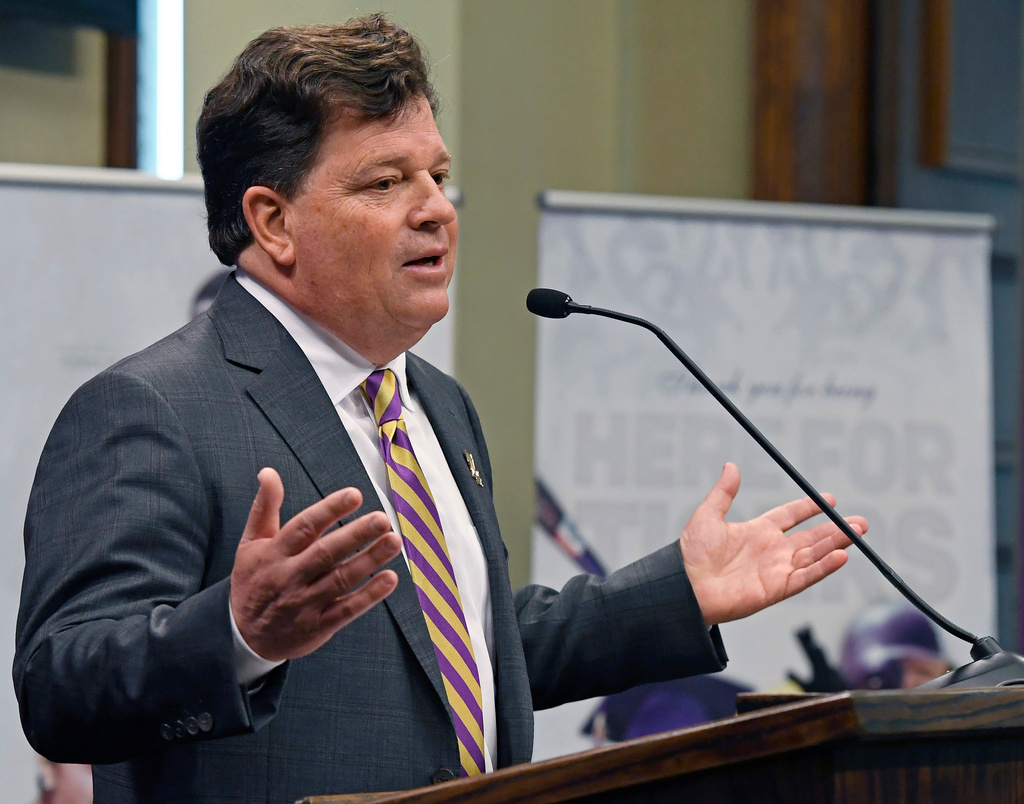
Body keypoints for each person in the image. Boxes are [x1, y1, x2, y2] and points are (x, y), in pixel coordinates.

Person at [14, 15, 867, 803]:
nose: (435, 209)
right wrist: (238, 632)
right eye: (386, 181)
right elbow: (61, 685)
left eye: (439, 175)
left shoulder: (434, 404)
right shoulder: (151, 408)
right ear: (273, 222)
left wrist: (677, 595)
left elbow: (453, 649)